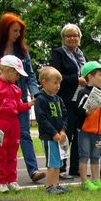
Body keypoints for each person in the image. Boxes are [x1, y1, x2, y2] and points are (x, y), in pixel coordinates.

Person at [0, 13, 44, 183]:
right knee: (0, 137)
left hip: (18, 98)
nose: (18, 35)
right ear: (5, 29)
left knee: (23, 134)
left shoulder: (22, 51)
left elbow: (30, 74)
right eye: (15, 31)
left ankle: (33, 170)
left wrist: (34, 93)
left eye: (19, 32)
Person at [0, 55, 36, 193]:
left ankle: (12, 180)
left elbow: (18, 107)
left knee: (12, 152)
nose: (18, 77)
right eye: (17, 74)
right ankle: (1, 181)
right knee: (1, 153)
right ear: (7, 70)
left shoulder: (16, 89)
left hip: (13, 122)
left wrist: (29, 104)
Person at [49, 24, 88, 180]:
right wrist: (75, 80)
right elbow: (54, 76)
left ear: (79, 38)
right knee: (66, 133)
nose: (72, 38)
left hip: (80, 100)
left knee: (80, 135)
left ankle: (76, 168)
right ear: (63, 39)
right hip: (65, 100)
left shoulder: (81, 56)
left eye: (75, 35)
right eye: (68, 36)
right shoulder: (58, 53)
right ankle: (61, 168)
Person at [75, 61, 101, 191]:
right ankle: (84, 181)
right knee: (84, 155)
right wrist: (86, 112)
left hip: (99, 132)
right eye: (100, 75)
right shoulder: (83, 92)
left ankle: (96, 180)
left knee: (95, 156)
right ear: (90, 77)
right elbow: (77, 111)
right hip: (85, 130)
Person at [35, 66, 69, 194]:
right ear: (44, 82)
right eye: (55, 82)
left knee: (58, 162)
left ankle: (56, 185)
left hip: (59, 136)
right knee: (52, 162)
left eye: (59, 83)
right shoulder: (41, 99)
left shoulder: (58, 99)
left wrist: (63, 130)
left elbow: (65, 115)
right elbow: (41, 119)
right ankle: (49, 187)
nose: (58, 86)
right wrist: (53, 133)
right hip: (49, 137)